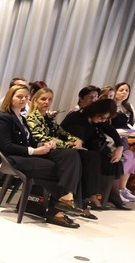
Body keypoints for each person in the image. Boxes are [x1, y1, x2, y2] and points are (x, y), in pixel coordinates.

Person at [0, 85, 82, 229]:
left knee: (70, 156)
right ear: (10, 98)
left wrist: (45, 144)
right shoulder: (4, 119)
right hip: (16, 159)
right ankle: (60, 207)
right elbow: (6, 146)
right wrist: (34, 151)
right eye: (19, 96)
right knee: (62, 170)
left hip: (28, 156)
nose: (23, 99)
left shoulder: (21, 118)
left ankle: (65, 200)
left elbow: (30, 141)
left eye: (26, 97)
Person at [26, 87, 99, 218]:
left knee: (86, 157)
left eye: (50, 99)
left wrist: (76, 140)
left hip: (55, 149)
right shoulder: (32, 117)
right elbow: (41, 138)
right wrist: (68, 144)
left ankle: (73, 199)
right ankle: (69, 198)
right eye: (43, 99)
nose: (47, 102)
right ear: (35, 100)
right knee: (72, 155)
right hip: (42, 149)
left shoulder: (49, 118)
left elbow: (62, 132)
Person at [60, 99, 127, 210]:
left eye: (105, 119)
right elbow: (75, 139)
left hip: (84, 149)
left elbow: (111, 130)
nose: (103, 120)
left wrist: (120, 147)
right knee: (93, 157)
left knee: (113, 160)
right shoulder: (77, 118)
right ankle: (92, 196)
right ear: (96, 111)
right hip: (70, 149)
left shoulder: (97, 119)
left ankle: (112, 195)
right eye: (102, 117)